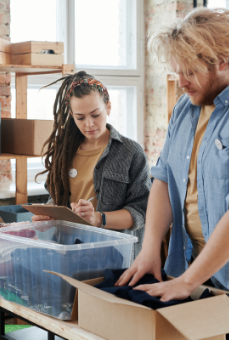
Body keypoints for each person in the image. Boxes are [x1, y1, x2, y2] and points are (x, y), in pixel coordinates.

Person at [116, 7, 229, 305]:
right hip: (193, 268)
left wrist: (187, 281)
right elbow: (165, 179)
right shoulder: (185, 108)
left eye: (190, 72)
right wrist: (149, 248)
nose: (181, 82)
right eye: (177, 72)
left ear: (223, 61)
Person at [32, 71, 151, 260]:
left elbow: (142, 212)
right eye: (80, 117)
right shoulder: (64, 153)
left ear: (108, 107)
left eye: (95, 114)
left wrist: (98, 218)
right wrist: (47, 216)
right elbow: (55, 199)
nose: (89, 124)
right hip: (67, 252)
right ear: (71, 115)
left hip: (116, 258)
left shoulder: (131, 152)